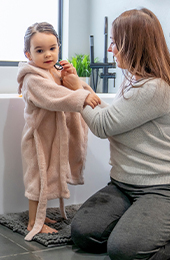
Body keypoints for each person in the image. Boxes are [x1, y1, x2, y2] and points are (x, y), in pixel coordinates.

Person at [63, 8, 170, 260]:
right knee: (83, 233)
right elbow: (116, 116)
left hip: (159, 188)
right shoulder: (135, 81)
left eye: (114, 42)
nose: (110, 49)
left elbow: (103, 126)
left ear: (132, 45)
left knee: (125, 251)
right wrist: (82, 87)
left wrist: (78, 92)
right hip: (123, 184)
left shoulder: (155, 88)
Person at [17, 22, 101, 241]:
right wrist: (81, 95)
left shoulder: (53, 73)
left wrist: (70, 76)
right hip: (37, 138)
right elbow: (54, 96)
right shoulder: (32, 78)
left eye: (52, 48)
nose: (47, 55)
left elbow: (63, 89)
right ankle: (33, 222)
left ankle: (41, 218)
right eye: (39, 50)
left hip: (54, 136)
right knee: (37, 178)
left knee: (50, 176)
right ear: (28, 54)